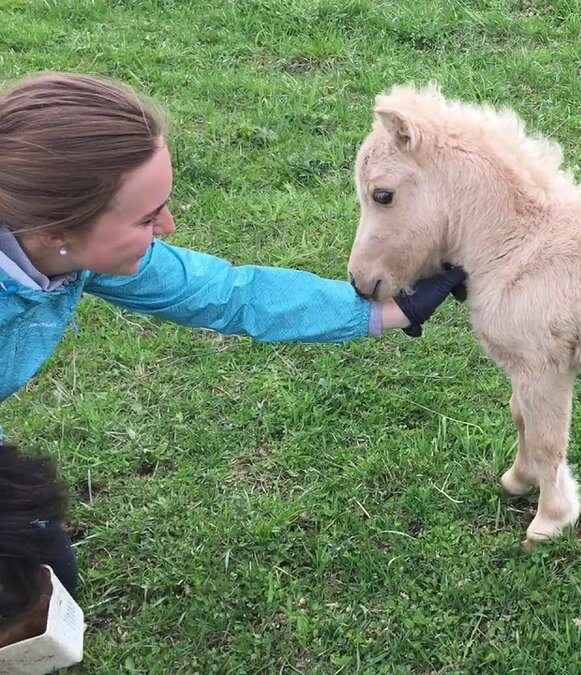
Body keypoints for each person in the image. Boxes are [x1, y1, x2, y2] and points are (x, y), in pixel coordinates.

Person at [0, 71, 467, 609]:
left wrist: (390, 312)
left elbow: (231, 295)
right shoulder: (58, 240)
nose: (170, 226)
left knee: (46, 582)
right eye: (148, 218)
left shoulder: (62, 246)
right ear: (57, 231)